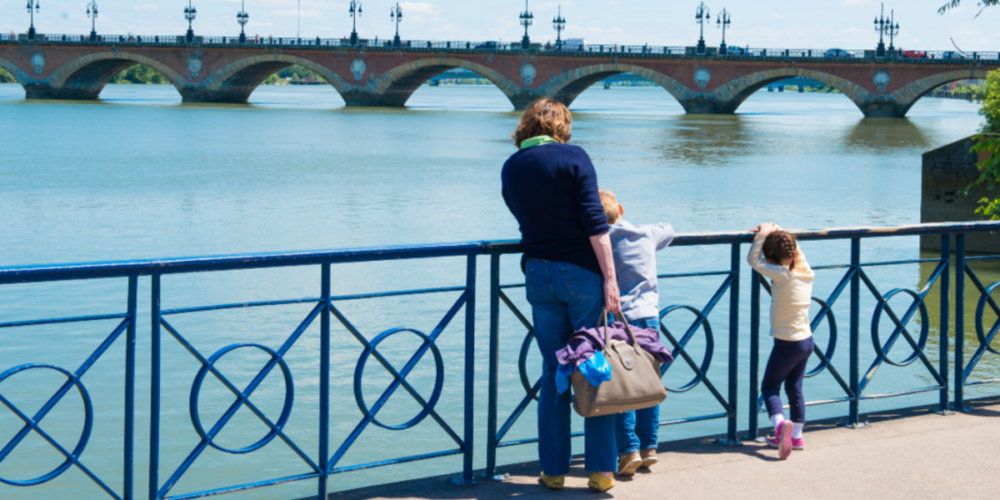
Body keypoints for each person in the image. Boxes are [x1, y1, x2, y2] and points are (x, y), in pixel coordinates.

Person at [501, 98, 621, 493]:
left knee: (555, 372)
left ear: (526, 126)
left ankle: (553, 470)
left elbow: (523, 217)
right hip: (581, 275)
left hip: (537, 273)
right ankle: (601, 470)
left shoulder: (512, 166)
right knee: (593, 367)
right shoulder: (574, 157)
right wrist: (610, 279)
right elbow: (594, 223)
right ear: (561, 126)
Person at [598, 190, 675, 476]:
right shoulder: (644, 233)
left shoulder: (597, 241)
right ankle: (649, 447)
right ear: (620, 208)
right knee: (647, 383)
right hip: (649, 319)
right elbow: (668, 229)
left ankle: (628, 449)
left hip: (618, 322)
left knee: (622, 386)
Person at [747, 222, 814, 460]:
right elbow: (795, 249)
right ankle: (796, 436)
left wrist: (763, 235)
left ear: (773, 259)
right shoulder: (805, 270)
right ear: (794, 252)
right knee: (795, 387)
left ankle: (778, 425)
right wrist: (778, 231)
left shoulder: (781, 274)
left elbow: (753, 261)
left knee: (769, 386)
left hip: (787, 342)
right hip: (807, 341)